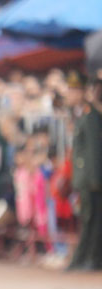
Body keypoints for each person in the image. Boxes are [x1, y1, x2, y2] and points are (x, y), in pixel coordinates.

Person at [68, 76, 102, 271]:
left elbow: (93, 151)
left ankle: (89, 258)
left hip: (91, 179)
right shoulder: (85, 114)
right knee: (88, 219)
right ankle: (85, 258)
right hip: (86, 178)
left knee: (92, 220)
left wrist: (95, 180)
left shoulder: (90, 116)